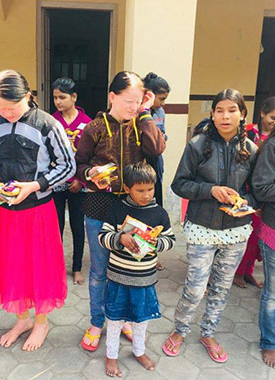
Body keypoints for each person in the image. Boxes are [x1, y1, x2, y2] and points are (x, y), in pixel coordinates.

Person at [0, 70, 75, 352]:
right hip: (3, 212)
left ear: (28, 98)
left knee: (38, 268)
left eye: (12, 108)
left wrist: (35, 185)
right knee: (12, 265)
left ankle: (41, 322)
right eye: (0, 107)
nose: (6, 113)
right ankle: (23, 319)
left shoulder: (47, 125)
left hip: (37, 211)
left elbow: (67, 166)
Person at [162, 89, 257, 363]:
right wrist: (210, 190)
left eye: (232, 110)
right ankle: (180, 330)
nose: (225, 116)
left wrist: (244, 200)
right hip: (202, 227)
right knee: (194, 287)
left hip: (236, 231)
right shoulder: (198, 145)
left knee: (221, 287)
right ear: (213, 114)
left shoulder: (250, 150)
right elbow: (179, 184)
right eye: (220, 110)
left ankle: (208, 332)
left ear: (242, 114)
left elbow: (257, 191)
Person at [76, 71, 166, 351]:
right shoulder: (94, 128)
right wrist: (91, 173)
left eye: (138, 101)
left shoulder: (141, 124)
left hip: (133, 210)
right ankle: (95, 322)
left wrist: (146, 113)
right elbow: (77, 166)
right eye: (129, 101)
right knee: (100, 272)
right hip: (99, 207)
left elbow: (157, 147)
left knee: (127, 271)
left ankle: (122, 319)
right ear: (112, 97)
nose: (133, 107)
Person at [98, 162, 175, 377]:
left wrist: (155, 243)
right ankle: (111, 356)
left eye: (150, 189)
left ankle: (139, 351)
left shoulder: (159, 213)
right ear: (128, 187)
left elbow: (170, 240)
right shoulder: (117, 209)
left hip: (145, 279)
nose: (146, 195)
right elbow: (102, 237)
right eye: (140, 190)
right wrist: (120, 238)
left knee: (141, 320)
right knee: (115, 320)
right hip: (119, 277)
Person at [52, 77, 91, 285]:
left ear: (74, 97)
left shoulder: (88, 123)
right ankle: (56, 268)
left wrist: (81, 181)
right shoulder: (50, 121)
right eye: (55, 97)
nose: (58, 101)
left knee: (77, 226)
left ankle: (77, 268)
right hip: (56, 183)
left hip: (78, 184)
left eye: (62, 97)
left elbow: (91, 156)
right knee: (55, 227)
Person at [233, 97, 275, 288]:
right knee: (247, 236)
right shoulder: (248, 134)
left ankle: (248, 271)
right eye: (272, 117)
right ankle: (237, 273)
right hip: (250, 192)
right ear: (262, 114)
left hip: (268, 197)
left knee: (258, 238)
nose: (274, 122)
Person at [252, 114, 275, 368]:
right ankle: (270, 342)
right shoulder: (272, 146)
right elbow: (262, 188)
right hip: (274, 229)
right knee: (272, 293)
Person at [142, 72, 171, 207]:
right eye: (161, 99)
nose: (163, 103)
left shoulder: (160, 112)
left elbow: (163, 132)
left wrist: (162, 137)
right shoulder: (138, 111)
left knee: (156, 192)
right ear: (149, 95)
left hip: (156, 159)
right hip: (141, 159)